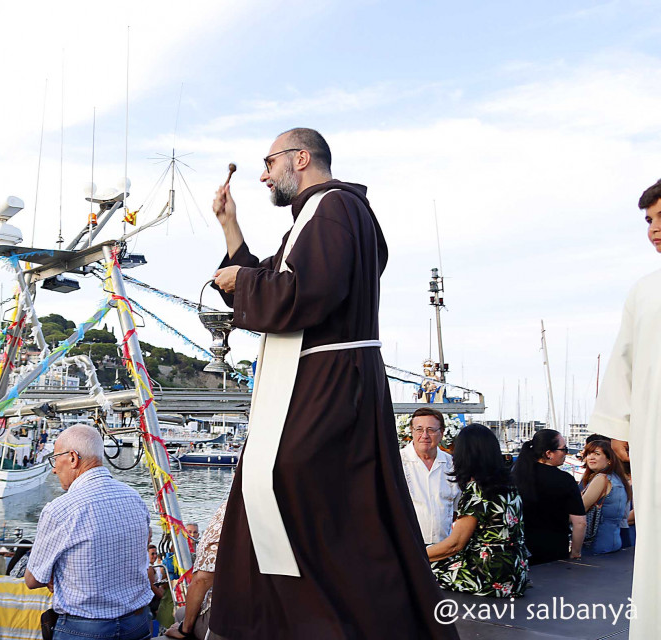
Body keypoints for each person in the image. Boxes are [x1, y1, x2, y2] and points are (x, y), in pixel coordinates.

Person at [209, 128, 456, 638]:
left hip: (329, 380)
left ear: (300, 158)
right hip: (333, 376)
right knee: (318, 497)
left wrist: (244, 282)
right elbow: (279, 281)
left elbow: (306, 293)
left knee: (294, 484)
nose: (263, 176)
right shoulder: (323, 215)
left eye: (269, 163)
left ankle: (321, 621)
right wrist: (231, 227)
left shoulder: (333, 208)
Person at [587, 178, 661, 640]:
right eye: (649, 220)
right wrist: (619, 428)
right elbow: (624, 362)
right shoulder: (645, 291)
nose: (653, 229)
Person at [24, 424, 151, 640]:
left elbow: (33, 579)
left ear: (73, 458)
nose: (54, 469)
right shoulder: (134, 497)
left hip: (84, 629)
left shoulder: (60, 510)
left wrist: (57, 574)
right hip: (136, 623)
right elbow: (144, 544)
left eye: (55, 459)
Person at [427, 424, 529, 598]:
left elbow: (455, 544)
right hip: (516, 574)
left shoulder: (477, 490)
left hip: (486, 573)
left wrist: (414, 555)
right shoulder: (509, 488)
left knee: (417, 568)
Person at [511, 429, 586, 564]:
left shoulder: (516, 476)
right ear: (548, 453)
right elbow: (580, 522)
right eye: (564, 449)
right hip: (555, 549)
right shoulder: (565, 480)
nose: (566, 453)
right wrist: (575, 552)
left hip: (522, 548)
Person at [164, 501, 227, 640]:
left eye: (195, 532)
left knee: (180, 614)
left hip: (224, 621)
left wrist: (184, 629)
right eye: (190, 532)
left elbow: (202, 580)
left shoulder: (228, 511)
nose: (192, 535)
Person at [399, 408, 461, 544]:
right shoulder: (396, 463)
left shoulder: (452, 465)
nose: (425, 435)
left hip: (444, 547)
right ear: (411, 431)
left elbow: (456, 510)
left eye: (431, 430)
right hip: (406, 547)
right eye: (419, 429)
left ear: (442, 433)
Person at [578, 441, 631, 556]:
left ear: (609, 459)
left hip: (596, 543)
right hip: (614, 541)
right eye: (589, 454)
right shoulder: (619, 480)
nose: (591, 457)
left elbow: (580, 509)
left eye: (597, 454)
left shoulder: (601, 479)